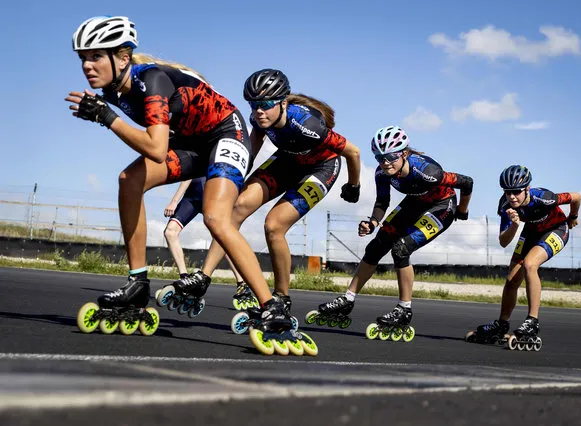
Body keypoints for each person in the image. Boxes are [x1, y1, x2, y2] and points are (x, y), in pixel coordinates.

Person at [67, 16, 291, 337]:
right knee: (128, 180)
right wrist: (108, 112)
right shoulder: (115, 91)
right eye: (83, 58)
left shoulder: (152, 80)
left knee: (216, 218)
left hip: (226, 133)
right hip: (192, 144)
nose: (88, 65)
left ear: (123, 58)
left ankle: (272, 306)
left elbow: (156, 150)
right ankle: (138, 284)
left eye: (96, 56)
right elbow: (158, 144)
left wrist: (106, 117)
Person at [172, 68, 361, 316]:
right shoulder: (258, 119)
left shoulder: (306, 125)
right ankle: (203, 277)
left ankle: (282, 298)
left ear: (283, 103)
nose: (258, 111)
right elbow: (251, 150)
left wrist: (354, 185)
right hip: (287, 161)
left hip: (320, 168)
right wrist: (235, 176)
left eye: (265, 104)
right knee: (236, 208)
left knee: (274, 226)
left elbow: (353, 152)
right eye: (253, 105)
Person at [308, 126, 474, 341]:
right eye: (379, 158)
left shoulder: (428, 172)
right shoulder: (382, 173)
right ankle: (348, 298)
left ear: (404, 154)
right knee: (376, 246)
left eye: (390, 157)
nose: (385, 163)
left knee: (401, 248)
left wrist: (462, 210)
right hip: (415, 202)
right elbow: (382, 202)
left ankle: (404, 309)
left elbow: (467, 182)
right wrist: (373, 221)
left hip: (441, 206)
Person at [466, 165, 581, 350]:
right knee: (511, 280)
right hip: (531, 232)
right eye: (507, 192)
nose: (511, 197)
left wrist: (573, 216)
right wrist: (514, 224)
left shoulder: (544, 197)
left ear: (527, 189)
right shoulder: (505, 206)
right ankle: (502, 324)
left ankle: (532, 321)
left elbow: (576, 196)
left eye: (516, 192)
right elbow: (504, 241)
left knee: (530, 264)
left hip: (556, 229)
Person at [162, 178, 255, 311]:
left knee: (221, 241)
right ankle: (185, 278)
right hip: (191, 197)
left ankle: (242, 283)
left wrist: (174, 201)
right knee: (170, 232)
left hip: (210, 195)